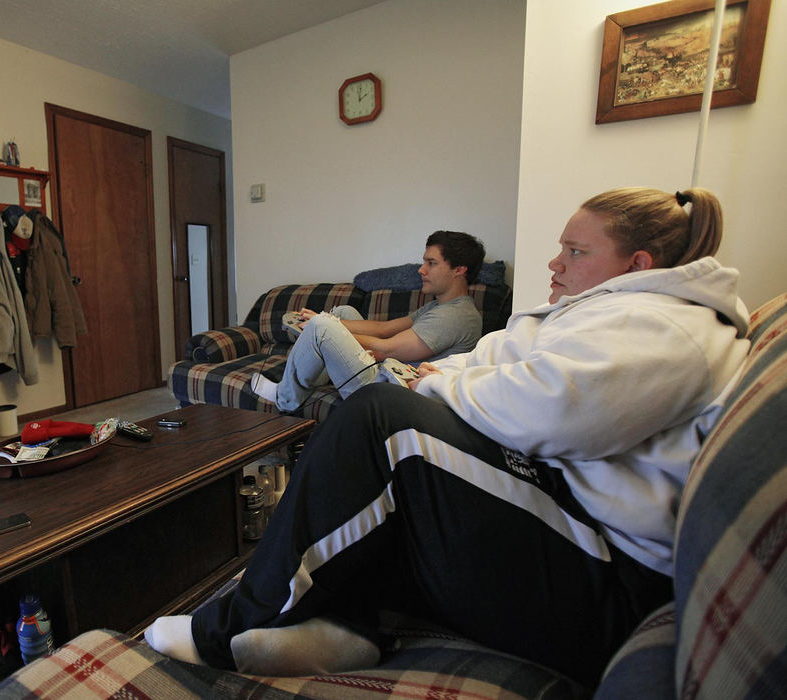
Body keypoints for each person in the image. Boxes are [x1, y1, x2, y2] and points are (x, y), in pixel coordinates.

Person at [144, 187, 751, 685]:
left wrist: (426, 386)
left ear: (638, 264)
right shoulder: (603, 313)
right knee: (396, 435)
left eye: (574, 250)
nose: (555, 262)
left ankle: (225, 630)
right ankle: (350, 629)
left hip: (604, 578)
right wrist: (434, 378)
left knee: (382, 418)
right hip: (566, 521)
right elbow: (494, 358)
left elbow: (545, 407)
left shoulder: (672, 328)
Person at [251, 230, 485, 412]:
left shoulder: (455, 316)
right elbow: (386, 328)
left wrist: (323, 328)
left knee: (322, 327)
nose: (421, 270)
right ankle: (316, 369)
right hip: (386, 375)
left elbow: (385, 348)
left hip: (388, 392)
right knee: (341, 313)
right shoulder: (439, 305)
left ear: (459, 270)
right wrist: (331, 322)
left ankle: (285, 398)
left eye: (431, 263)